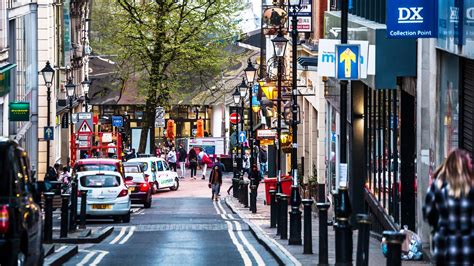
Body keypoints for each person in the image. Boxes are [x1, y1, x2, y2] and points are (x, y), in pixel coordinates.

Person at [423, 149, 474, 265]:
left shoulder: (438, 187)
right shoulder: (470, 190)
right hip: (468, 246)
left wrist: (439, 225)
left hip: (444, 244)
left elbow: (427, 212)